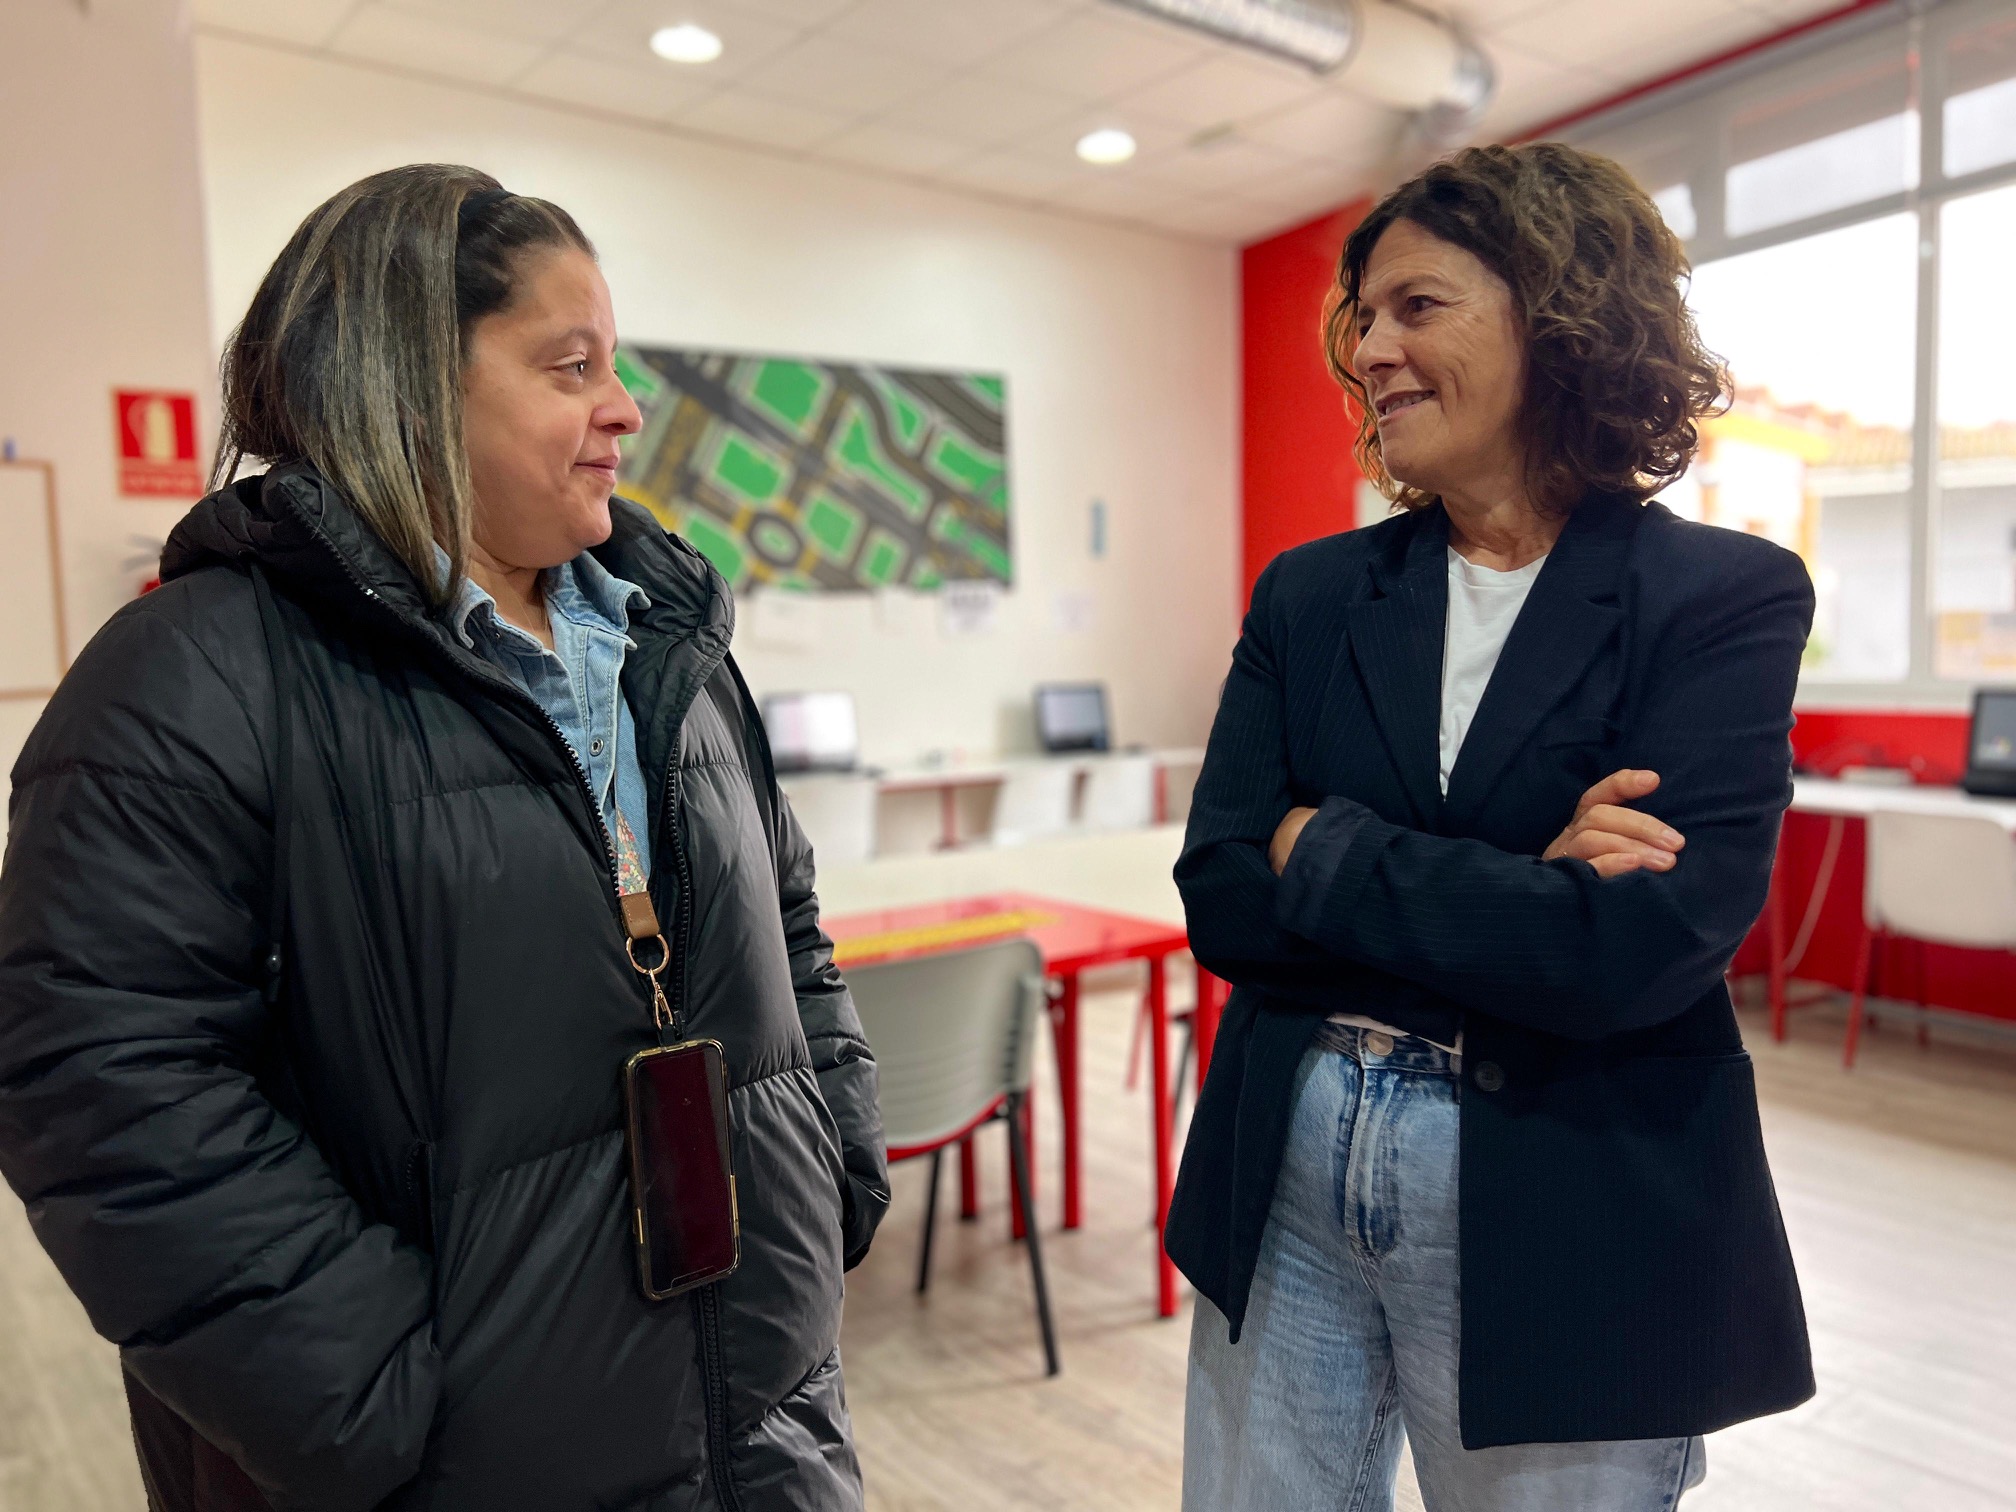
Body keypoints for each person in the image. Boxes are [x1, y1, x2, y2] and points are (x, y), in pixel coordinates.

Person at [0, 164, 888, 1511]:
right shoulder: (187, 678)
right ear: (406, 382)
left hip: (765, 1433)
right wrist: (364, 1400)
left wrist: (834, 1168)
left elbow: (792, 921)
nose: (625, 407)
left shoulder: (674, 648)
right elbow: (101, 1081)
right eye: (571, 365)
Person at [1167, 142, 1816, 1511]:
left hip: (1570, 1193)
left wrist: (1316, 846)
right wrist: (1526, 885)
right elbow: (1222, 890)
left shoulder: (1721, 597)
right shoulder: (1312, 593)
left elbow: (1634, 951)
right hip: (1283, 1164)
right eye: (1364, 317)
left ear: (1560, 317)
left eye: (1418, 307)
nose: (1369, 352)